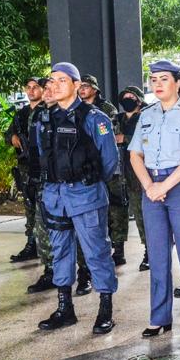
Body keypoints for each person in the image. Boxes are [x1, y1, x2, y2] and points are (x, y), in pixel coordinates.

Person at [36, 62, 119, 334]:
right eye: (52, 80)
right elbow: (41, 154)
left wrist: (87, 183)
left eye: (62, 80)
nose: (55, 84)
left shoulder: (96, 118)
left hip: (85, 194)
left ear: (76, 84)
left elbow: (109, 161)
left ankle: (105, 308)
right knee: (60, 251)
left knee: (96, 251)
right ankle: (65, 308)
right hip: (55, 195)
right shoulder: (45, 119)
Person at [129, 60, 180, 343]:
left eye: (164, 78)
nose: (158, 84)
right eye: (153, 79)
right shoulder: (147, 114)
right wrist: (150, 185)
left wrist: (164, 185)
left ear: (178, 82)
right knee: (158, 256)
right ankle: (159, 318)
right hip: (152, 190)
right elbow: (135, 155)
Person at [79, 74, 129, 267]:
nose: (82, 89)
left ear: (95, 89)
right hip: (90, 167)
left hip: (110, 165)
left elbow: (112, 139)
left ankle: (119, 249)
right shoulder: (78, 110)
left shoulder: (107, 109)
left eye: (86, 86)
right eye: (80, 86)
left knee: (116, 207)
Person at [6, 77, 44, 263]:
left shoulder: (47, 111)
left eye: (35, 87)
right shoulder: (21, 113)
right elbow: (8, 133)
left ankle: (46, 248)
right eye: (28, 88)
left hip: (43, 169)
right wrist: (12, 136)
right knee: (29, 206)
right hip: (25, 168)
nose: (31, 91)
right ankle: (32, 244)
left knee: (44, 209)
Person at [25, 78, 56, 293]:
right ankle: (50, 272)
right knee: (42, 227)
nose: (45, 92)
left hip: (71, 183)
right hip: (43, 181)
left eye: (49, 88)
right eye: (43, 88)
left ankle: (84, 273)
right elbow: (34, 150)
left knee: (78, 232)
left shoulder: (78, 113)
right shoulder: (37, 115)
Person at [116, 86, 149, 272]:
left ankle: (150, 251)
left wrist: (125, 139)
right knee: (117, 213)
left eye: (131, 96)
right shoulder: (118, 119)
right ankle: (118, 250)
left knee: (142, 215)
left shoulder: (146, 117)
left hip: (140, 174)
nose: (127, 99)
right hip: (120, 174)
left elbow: (148, 140)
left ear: (139, 100)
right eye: (124, 96)